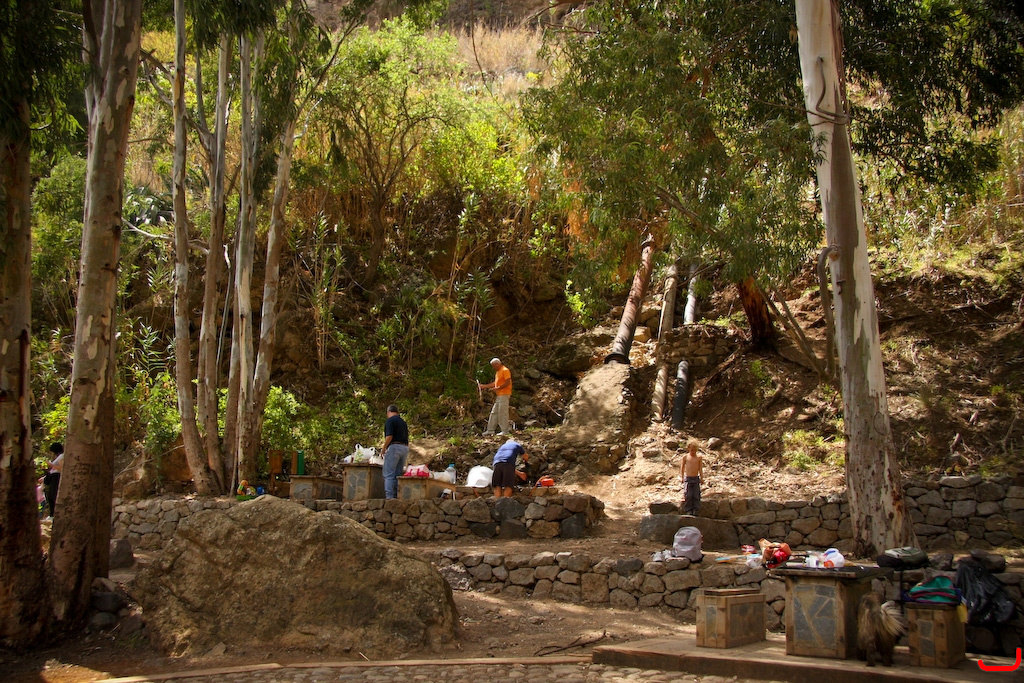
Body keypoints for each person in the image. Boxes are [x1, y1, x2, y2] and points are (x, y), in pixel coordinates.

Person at [380, 405, 409, 500]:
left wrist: (384, 448)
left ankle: (389, 497)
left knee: (389, 473)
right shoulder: (403, 422)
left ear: (388, 412)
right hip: (404, 448)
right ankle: (397, 496)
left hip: (394, 447)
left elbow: (389, 436)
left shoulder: (390, 421)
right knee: (398, 473)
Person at [479, 357, 512, 436]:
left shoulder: (505, 370)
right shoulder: (498, 372)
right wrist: (485, 386)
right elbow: (495, 383)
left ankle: (505, 431)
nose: (493, 368)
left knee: (502, 412)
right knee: (494, 412)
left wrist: (498, 388)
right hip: (499, 395)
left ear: (498, 364)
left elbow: (508, 382)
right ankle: (490, 430)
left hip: (504, 394)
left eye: (494, 366)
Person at [680, 439, 703, 515]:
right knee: (688, 494)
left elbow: (700, 468)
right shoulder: (685, 457)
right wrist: (682, 477)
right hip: (688, 478)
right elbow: (682, 468)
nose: (693, 452)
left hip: (695, 478)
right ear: (688, 448)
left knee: (696, 494)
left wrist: (702, 478)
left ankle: (696, 509)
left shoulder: (699, 457)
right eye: (692, 450)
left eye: (695, 450)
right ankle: (688, 510)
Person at [42, 442, 64, 517]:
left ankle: (55, 514)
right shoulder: (58, 457)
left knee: (54, 496)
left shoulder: (61, 457)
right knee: (50, 496)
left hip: (56, 477)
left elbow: (61, 468)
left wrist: (51, 464)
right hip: (52, 476)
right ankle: (52, 514)